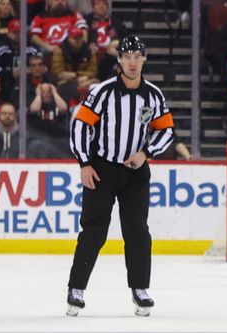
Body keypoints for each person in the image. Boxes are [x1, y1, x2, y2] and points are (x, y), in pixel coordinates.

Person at [66, 36, 174, 317]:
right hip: (102, 171)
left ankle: (140, 289)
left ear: (144, 59)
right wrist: (84, 163)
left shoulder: (153, 95)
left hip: (135, 173)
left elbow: (167, 130)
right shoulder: (102, 92)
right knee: (93, 231)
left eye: (138, 56)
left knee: (138, 232)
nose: (133, 62)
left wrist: (146, 153)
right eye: (127, 56)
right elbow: (80, 126)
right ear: (119, 60)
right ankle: (76, 289)